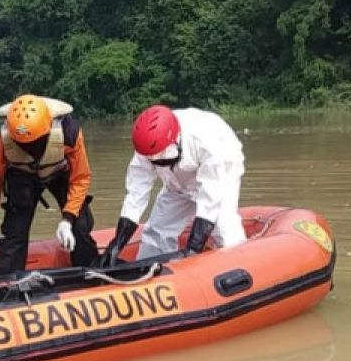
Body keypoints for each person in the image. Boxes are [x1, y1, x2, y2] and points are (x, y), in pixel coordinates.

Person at [98, 106, 245, 265]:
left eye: (161, 160)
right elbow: (136, 194)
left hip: (220, 174)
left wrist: (193, 247)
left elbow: (211, 196)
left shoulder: (207, 142)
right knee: (156, 231)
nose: (156, 163)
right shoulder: (145, 146)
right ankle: (148, 272)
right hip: (175, 184)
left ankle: (237, 265)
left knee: (224, 229)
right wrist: (117, 243)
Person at [0, 95, 96, 276]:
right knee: (15, 233)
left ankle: (92, 272)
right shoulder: (3, 139)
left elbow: (80, 178)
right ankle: (6, 282)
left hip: (59, 172)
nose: (28, 147)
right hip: (22, 175)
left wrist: (67, 220)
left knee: (80, 228)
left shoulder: (69, 133)